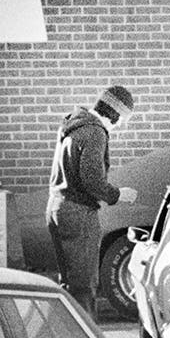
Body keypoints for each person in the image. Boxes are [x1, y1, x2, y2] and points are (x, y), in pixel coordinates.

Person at [47, 85, 138, 314]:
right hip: (78, 213)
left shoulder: (74, 125)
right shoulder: (95, 132)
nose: (122, 125)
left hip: (57, 207)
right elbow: (92, 180)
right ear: (115, 113)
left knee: (69, 284)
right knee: (84, 286)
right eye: (124, 118)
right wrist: (118, 195)